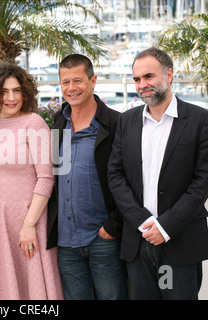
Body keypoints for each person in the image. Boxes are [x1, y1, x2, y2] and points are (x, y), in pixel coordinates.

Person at [107, 47, 208, 300]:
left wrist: (165, 226)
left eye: (149, 76)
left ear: (169, 75)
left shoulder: (200, 120)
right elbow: (115, 175)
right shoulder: (127, 121)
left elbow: (202, 183)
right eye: (137, 79)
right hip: (138, 240)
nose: (142, 84)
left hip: (180, 240)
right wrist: (143, 221)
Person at [0, 62, 64, 300]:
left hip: (30, 219)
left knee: (34, 285)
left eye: (16, 90)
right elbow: (0, 167)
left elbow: (46, 179)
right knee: (4, 288)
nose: (11, 97)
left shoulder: (34, 123)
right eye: (4, 91)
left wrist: (29, 225)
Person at [46, 54, 128, 300]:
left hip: (103, 238)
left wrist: (112, 226)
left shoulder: (116, 123)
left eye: (78, 81)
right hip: (66, 241)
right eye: (65, 82)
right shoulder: (58, 122)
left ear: (93, 81)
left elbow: (133, 179)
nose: (71, 88)